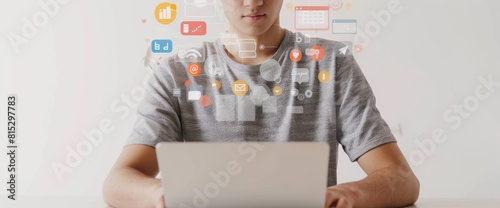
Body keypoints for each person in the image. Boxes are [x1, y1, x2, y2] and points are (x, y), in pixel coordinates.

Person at [102, 0, 420, 207]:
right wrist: (161, 196)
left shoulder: (332, 64)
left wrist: (348, 196)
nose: (253, 3)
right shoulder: (177, 73)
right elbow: (118, 183)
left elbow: (402, 179)